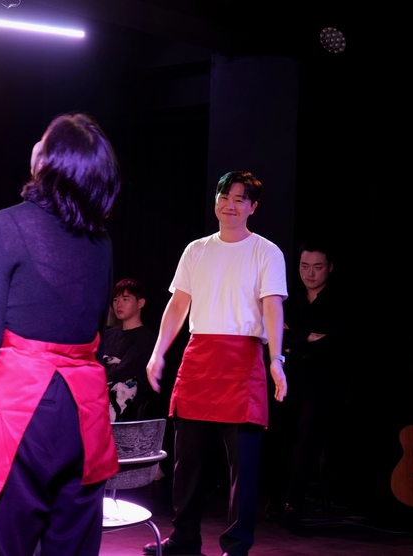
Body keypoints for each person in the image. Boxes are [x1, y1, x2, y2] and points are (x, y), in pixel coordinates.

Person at [0, 113, 121, 556]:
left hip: (20, 411)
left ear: (50, 161)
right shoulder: (102, 241)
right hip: (85, 413)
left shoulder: (4, 226)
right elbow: (98, 330)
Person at [144, 171, 288, 556]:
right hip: (199, 358)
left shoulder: (266, 252)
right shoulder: (196, 250)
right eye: (225, 196)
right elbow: (178, 305)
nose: (230, 205)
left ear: (253, 207)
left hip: (243, 360)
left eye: (240, 199)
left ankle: (237, 546)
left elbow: (272, 307)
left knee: (243, 466)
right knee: (186, 462)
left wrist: (276, 358)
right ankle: (183, 538)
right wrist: (158, 353)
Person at [270, 240, 340, 527]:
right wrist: (308, 337)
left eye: (317, 267)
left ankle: (293, 503)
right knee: (277, 433)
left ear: (330, 267)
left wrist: (294, 338)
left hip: (322, 378)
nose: (310, 273)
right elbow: (274, 335)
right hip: (288, 375)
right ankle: (275, 499)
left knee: (308, 434)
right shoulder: (289, 299)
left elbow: (337, 344)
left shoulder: (338, 302)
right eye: (304, 266)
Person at [103, 278, 157, 422]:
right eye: (115, 299)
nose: (119, 304)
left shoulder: (145, 337)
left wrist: (93, 378)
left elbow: (123, 371)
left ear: (140, 303)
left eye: (125, 299)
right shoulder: (108, 335)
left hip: (128, 410)